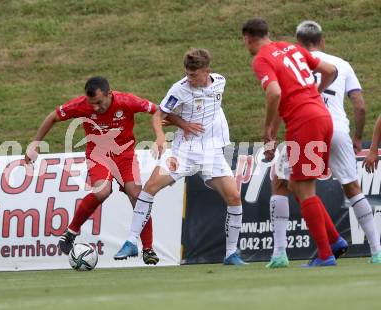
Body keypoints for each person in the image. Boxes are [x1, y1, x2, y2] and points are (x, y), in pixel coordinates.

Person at [114, 48, 246, 266]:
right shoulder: (179, 89)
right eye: (187, 73)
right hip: (183, 150)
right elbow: (159, 115)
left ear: (207, 71)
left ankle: (231, 253)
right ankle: (130, 241)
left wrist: (181, 120)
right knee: (150, 187)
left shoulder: (220, 81)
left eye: (194, 75)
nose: (189, 78)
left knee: (234, 197)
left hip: (211, 152)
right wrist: (161, 136)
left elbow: (211, 108)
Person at [265, 21, 381, 267]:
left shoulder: (291, 61)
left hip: (306, 125)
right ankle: (377, 250)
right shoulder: (341, 63)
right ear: (323, 40)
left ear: (298, 43)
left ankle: (281, 252)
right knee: (352, 186)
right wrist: (358, 138)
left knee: (284, 183)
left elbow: (278, 99)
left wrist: (271, 136)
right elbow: (359, 106)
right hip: (336, 128)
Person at [25, 76, 164, 265]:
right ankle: (71, 232)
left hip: (125, 156)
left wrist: (160, 136)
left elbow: (157, 110)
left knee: (137, 194)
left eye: (99, 102)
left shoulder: (127, 101)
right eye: (92, 104)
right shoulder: (82, 105)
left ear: (109, 93)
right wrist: (35, 144)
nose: (95, 108)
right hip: (98, 156)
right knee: (102, 191)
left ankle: (148, 248)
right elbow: (53, 116)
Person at [242, 18, 343, 267]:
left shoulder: (262, 59)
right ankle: (335, 241)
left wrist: (267, 128)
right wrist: (314, 93)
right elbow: (330, 70)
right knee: (298, 185)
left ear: (247, 38)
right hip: (321, 116)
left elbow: (275, 93)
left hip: (304, 122)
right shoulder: (293, 48)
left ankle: (325, 255)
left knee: (302, 187)